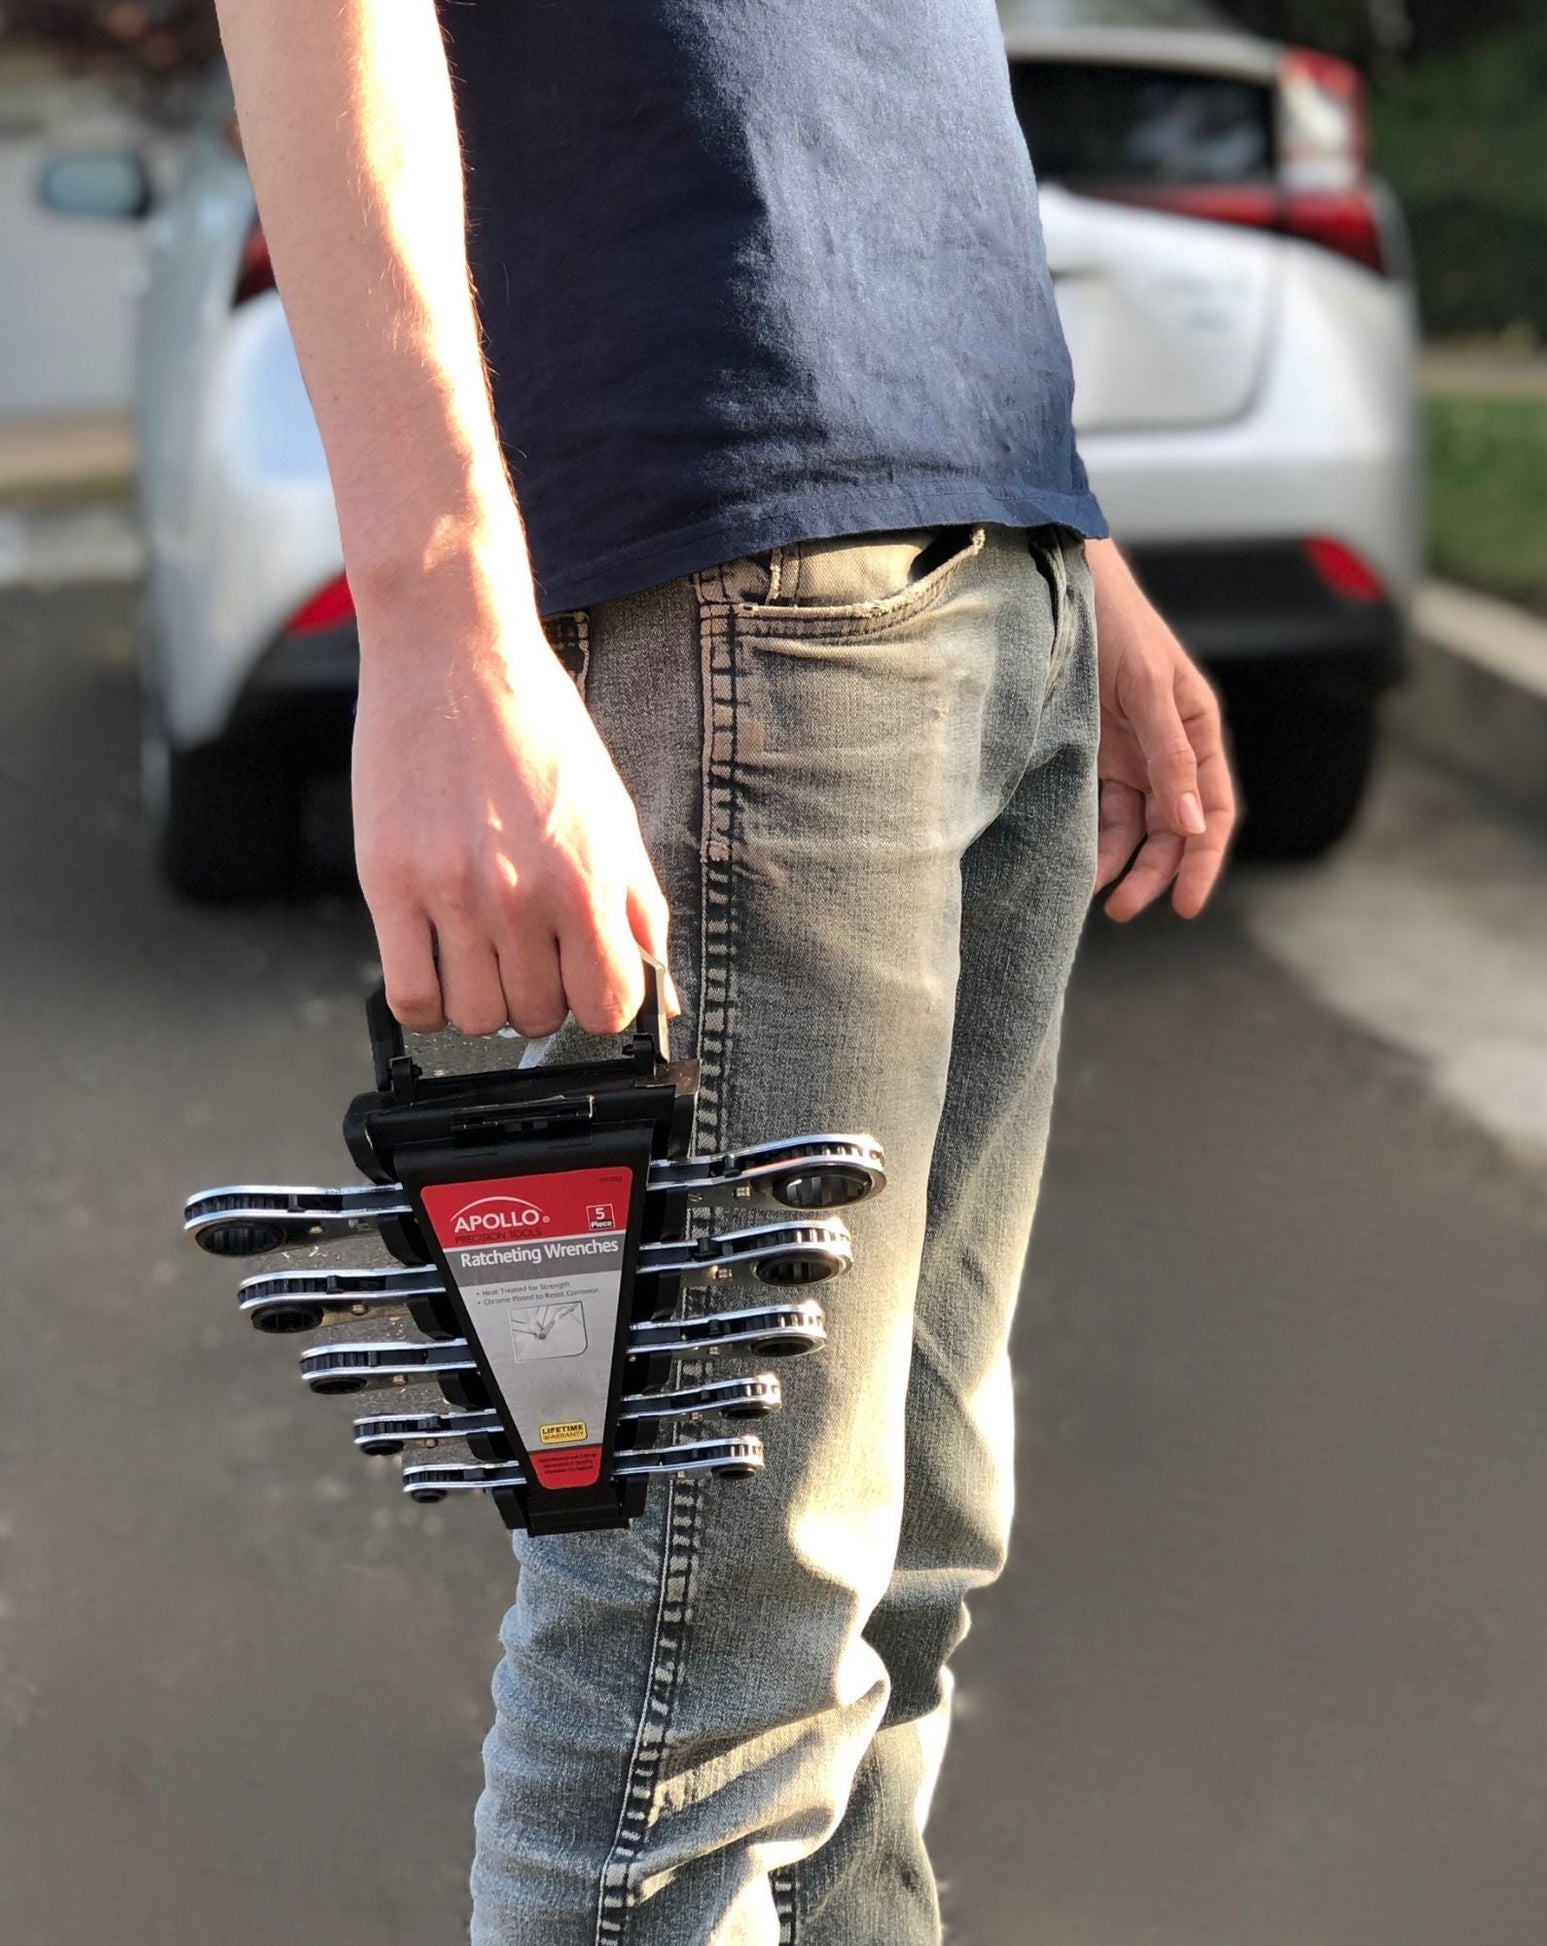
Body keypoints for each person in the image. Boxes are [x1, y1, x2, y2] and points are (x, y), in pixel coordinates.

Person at [212, 1, 1234, 1938]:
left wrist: (1058, 531)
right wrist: (436, 617)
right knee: (692, 1662)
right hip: (732, 551)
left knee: (901, 1573)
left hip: (977, 541)